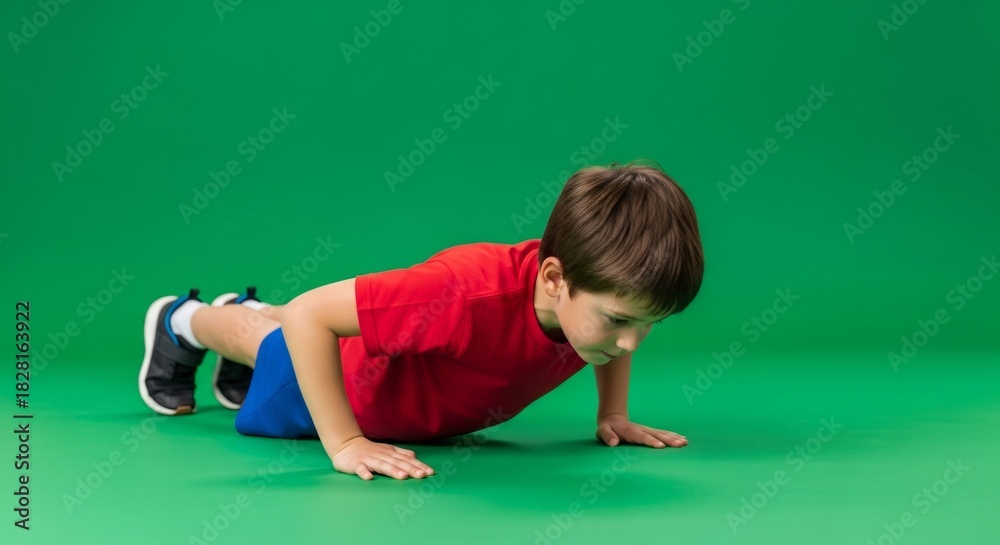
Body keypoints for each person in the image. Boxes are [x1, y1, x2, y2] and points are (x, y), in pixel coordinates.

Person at [137, 160, 705, 480]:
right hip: (349, 380)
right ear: (555, 280)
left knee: (309, 321)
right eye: (618, 321)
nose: (631, 341)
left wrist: (614, 413)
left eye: (647, 323)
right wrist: (346, 443)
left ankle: (252, 309)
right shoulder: (464, 297)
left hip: (407, 366)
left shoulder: (591, 299)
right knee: (269, 343)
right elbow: (312, 314)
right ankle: (182, 321)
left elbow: (618, 330)